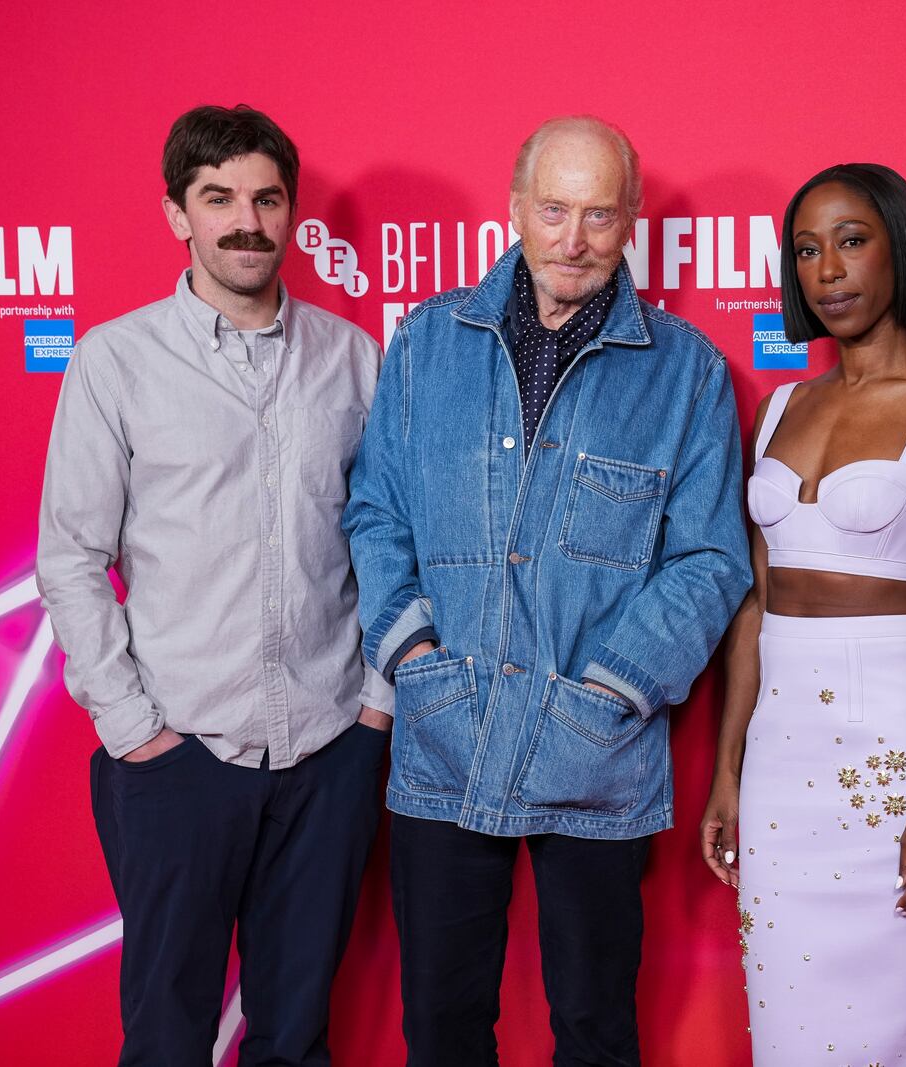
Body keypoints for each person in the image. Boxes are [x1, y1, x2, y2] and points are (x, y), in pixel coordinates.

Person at [343, 115, 750, 1066]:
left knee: (597, 1030)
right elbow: (375, 513)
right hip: (445, 736)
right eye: (555, 209)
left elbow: (710, 560)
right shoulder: (428, 343)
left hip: (597, 754)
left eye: (599, 214)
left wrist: (614, 688)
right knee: (441, 1028)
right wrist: (411, 655)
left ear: (632, 220)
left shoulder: (685, 371)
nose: (575, 239)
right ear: (518, 207)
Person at [36, 104, 392, 1067]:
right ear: (176, 214)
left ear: (292, 212)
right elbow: (70, 554)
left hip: (328, 752)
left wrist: (375, 709)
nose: (247, 221)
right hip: (175, 754)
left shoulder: (355, 361)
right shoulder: (115, 361)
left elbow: (396, 538)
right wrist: (134, 728)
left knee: (296, 1033)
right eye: (219, 197)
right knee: (165, 1034)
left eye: (267, 199)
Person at [700, 163, 906, 1065]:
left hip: (896, 744)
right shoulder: (780, 406)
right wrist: (727, 768)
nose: (828, 269)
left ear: (898, 248)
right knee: (790, 1014)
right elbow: (757, 604)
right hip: (782, 757)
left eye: (852, 240)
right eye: (806, 249)